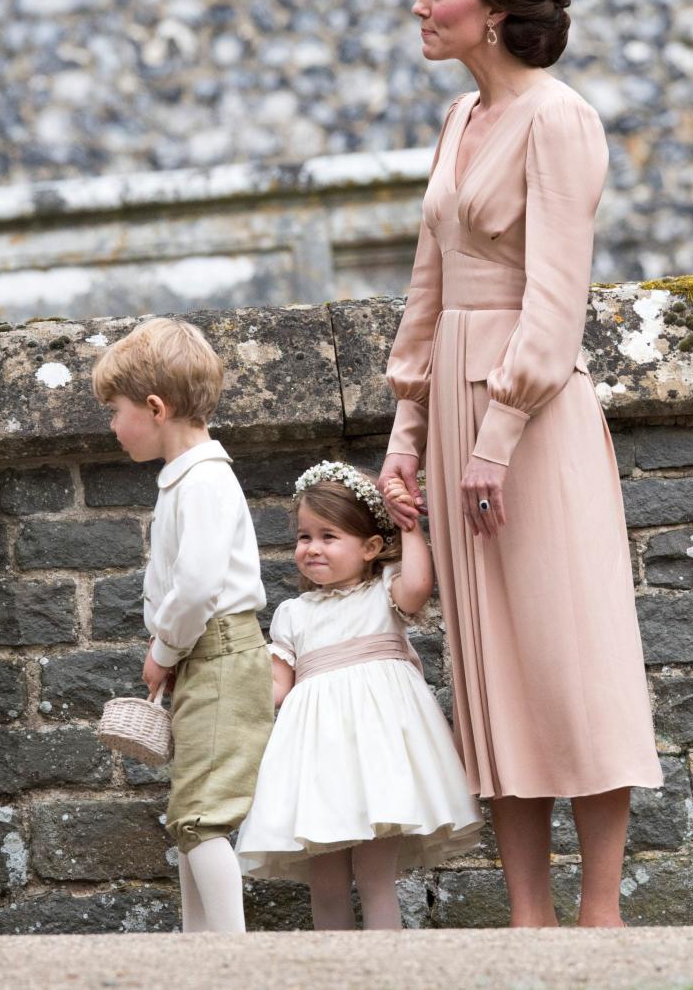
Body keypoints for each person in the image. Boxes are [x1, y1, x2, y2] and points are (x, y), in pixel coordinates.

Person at [378, 0, 664, 928]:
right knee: (490, 658)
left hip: (528, 422)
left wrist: (491, 440)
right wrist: (409, 433)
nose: (422, 8)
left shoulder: (559, 117)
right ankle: (528, 918)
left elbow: (555, 304)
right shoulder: (460, 121)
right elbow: (426, 291)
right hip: (456, 408)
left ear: (491, 7)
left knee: (567, 643)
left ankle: (600, 914)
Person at [235, 461, 482, 930]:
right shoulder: (292, 613)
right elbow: (276, 688)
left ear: (370, 547)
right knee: (325, 883)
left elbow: (419, 585)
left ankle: (383, 974)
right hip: (319, 762)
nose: (312, 548)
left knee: (374, 877)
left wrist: (410, 525)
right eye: (304, 537)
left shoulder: (385, 594)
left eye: (329, 536)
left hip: (378, 760)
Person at [91, 317, 273, 933]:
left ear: (155, 407)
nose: (112, 427)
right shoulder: (186, 480)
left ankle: (228, 958)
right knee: (189, 814)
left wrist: (164, 649)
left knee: (202, 815)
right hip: (206, 657)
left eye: (114, 411)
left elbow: (196, 586)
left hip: (217, 655)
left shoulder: (204, 480)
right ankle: (200, 956)